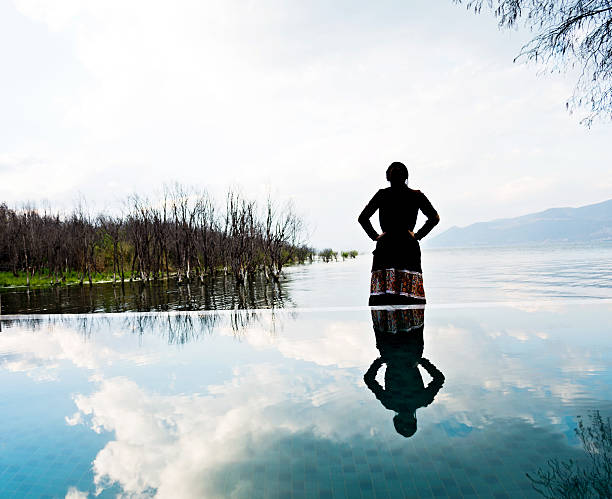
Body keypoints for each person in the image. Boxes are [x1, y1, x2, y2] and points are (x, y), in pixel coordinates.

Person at [358, 162, 440, 305]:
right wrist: (417, 235)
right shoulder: (416, 196)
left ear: (388, 178)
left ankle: (386, 325)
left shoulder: (382, 195)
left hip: (386, 247)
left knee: (384, 299)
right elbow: (434, 218)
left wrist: (376, 236)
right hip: (407, 247)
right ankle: (412, 325)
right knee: (410, 298)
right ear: (406, 177)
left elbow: (363, 218)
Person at [364, 308, 445, 438]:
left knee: (404, 312)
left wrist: (422, 362)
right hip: (394, 351)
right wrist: (380, 361)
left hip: (407, 351)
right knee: (396, 312)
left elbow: (439, 379)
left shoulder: (421, 400)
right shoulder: (391, 402)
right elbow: (369, 379)